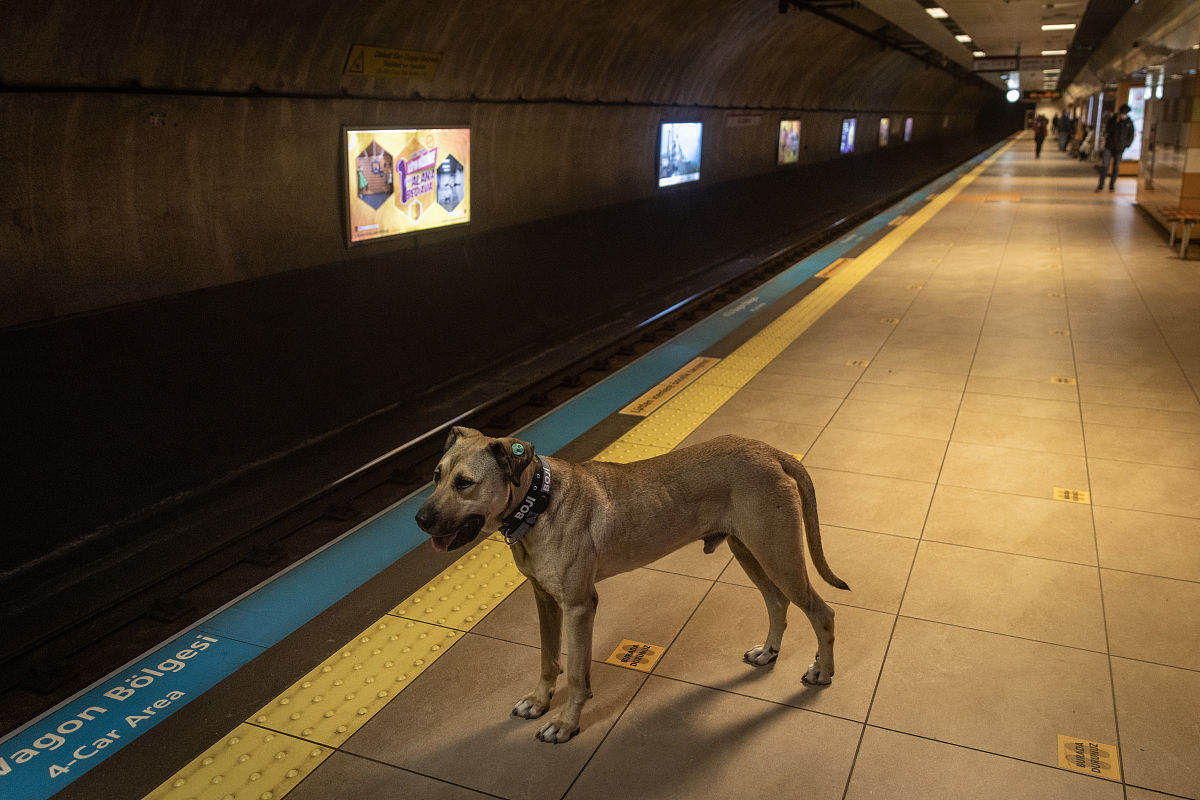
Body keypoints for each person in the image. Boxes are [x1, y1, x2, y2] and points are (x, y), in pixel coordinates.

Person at [1097, 104, 1136, 192]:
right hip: (1109, 146)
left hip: (1120, 148)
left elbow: (1131, 135)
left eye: (1126, 113)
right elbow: (1108, 130)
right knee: (1105, 166)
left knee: (1116, 167)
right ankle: (1101, 184)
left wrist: (1126, 144)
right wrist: (1116, 122)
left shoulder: (1129, 122)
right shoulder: (1112, 120)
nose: (1124, 114)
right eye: (1123, 112)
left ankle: (1112, 185)